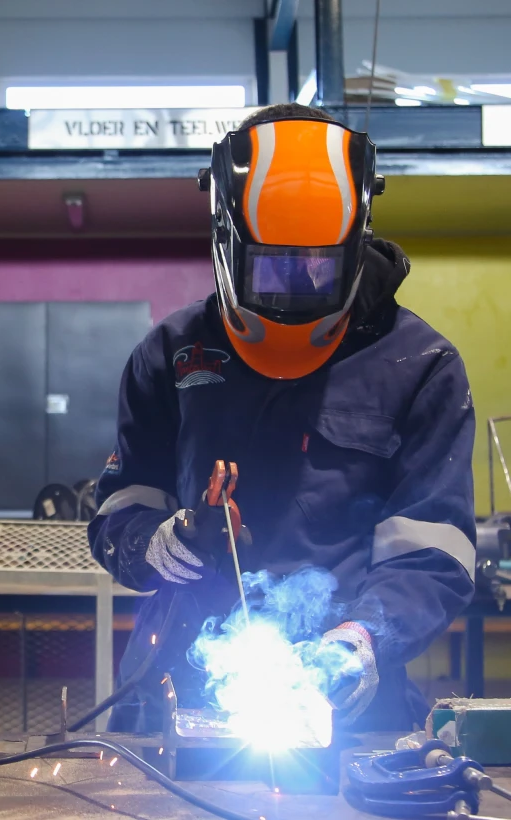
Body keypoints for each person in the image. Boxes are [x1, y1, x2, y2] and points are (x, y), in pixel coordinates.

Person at [89, 103, 476, 733]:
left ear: (356, 239)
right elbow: (119, 509)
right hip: (176, 682)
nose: (295, 282)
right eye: (273, 266)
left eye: (318, 266)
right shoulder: (171, 353)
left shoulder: (419, 365)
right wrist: (156, 543)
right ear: (226, 234)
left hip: (342, 694)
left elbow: (434, 548)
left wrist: (364, 637)